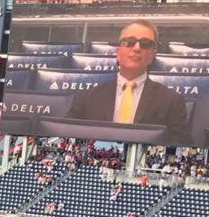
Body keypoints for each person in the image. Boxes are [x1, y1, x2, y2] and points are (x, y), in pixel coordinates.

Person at [63, 21, 192, 146]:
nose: (136, 48)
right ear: (118, 53)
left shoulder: (171, 100)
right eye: (129, 42)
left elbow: (180, 145)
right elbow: (65, 136)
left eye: (145, 44)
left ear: (153, 55)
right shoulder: (88, 97)